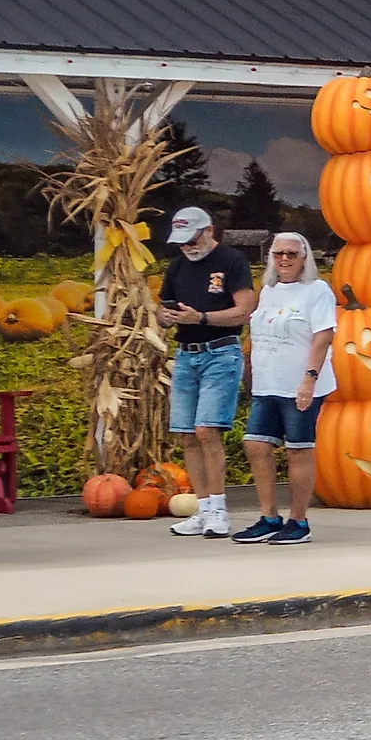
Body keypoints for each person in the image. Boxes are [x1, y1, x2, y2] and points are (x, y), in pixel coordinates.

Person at [156, 207, 255, 539]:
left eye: (192, 239)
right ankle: (201, 509)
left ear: (209, 231)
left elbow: (244, 311)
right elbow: (163, 307)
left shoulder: (232, 261)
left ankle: (219, 510)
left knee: (206, 430)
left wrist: (201, 318)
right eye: (181, 242)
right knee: (187, 433)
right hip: (186, 355)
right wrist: (165, 317)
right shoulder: (177, 266)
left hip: (221, 352)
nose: (187, 246)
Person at [237, 232, 336, 544]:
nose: (285, 259)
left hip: (300, 385)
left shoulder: (317, 291)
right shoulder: (269, 290)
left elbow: (323, 336)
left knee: (298, 449)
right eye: (278, 253)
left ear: (304, 258)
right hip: (268, 383)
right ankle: (269, 516)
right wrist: (249, 372)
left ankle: (298, 521)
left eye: (292, 254)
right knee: (255, 445)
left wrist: (309, 379)